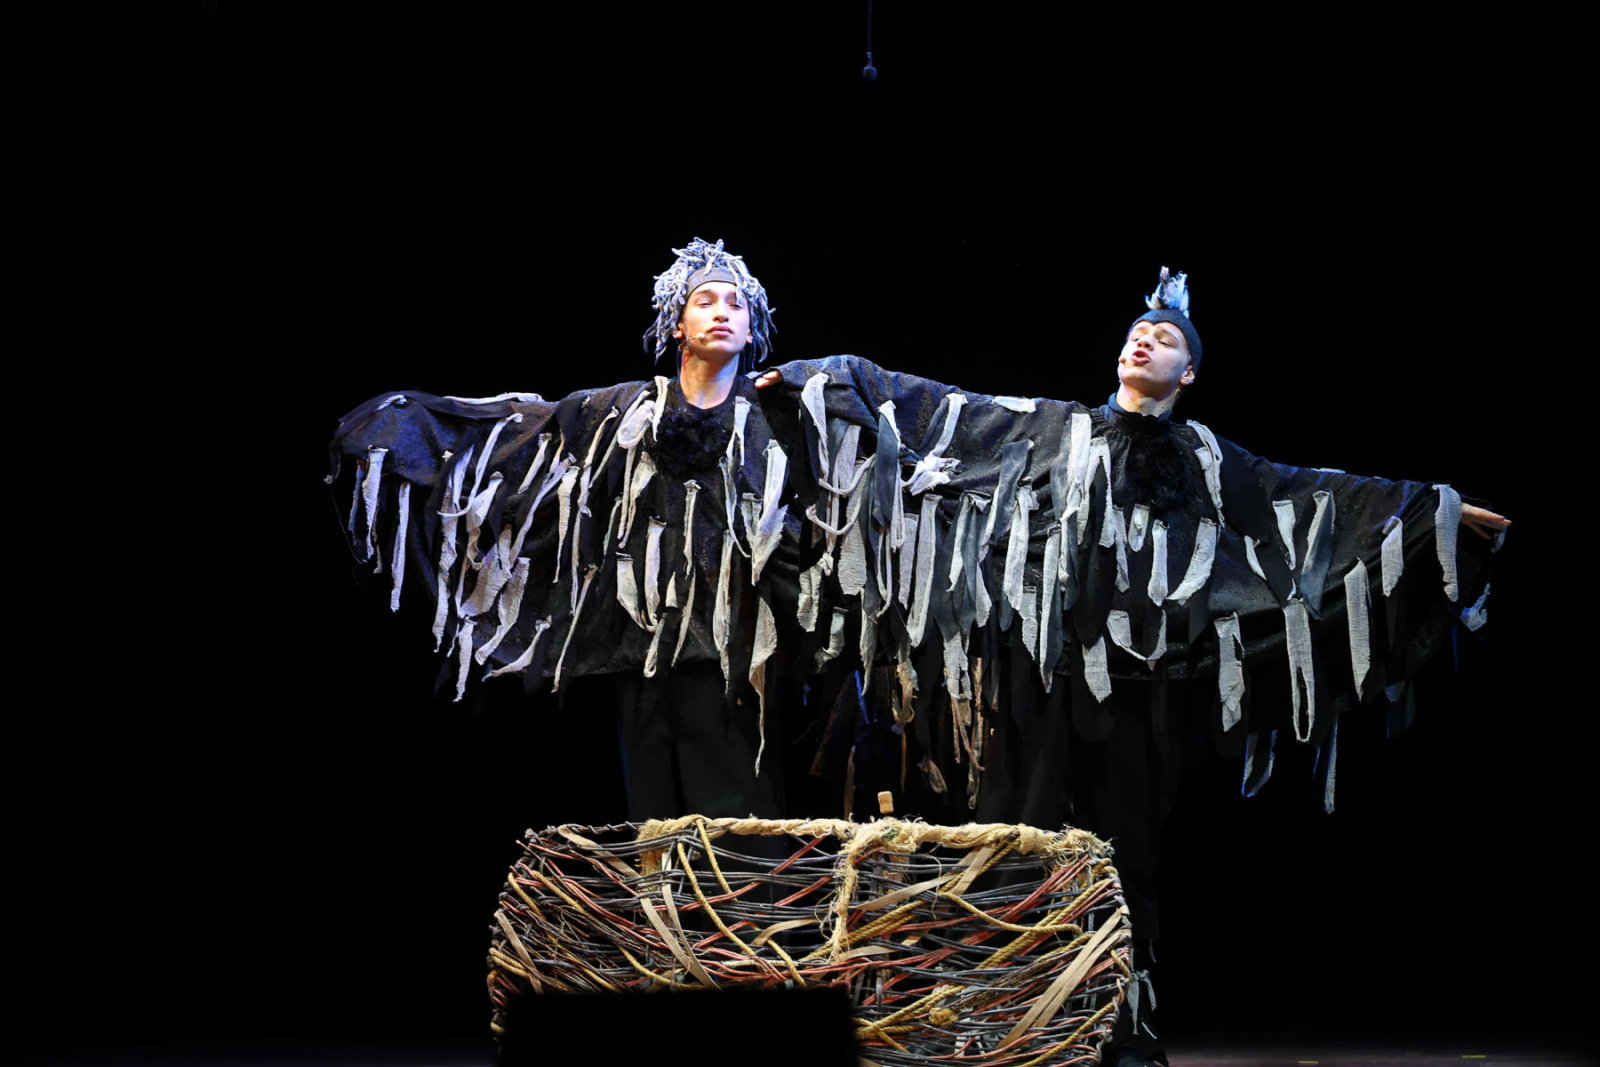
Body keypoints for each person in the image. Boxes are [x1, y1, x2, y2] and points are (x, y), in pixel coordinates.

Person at [328, 255, 1504, 1064]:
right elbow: (917, 408)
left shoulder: (1209, 462)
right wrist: (404, 427)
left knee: (1123, 854)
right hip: (948, 679)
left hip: (1128, 686)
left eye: (1169, 340)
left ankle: (1112, 1019)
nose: (1146, 341)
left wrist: (1437, 516)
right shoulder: (1044, 431)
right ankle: (937, 1014)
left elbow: (1306, 497)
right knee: (744, 836)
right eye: (1137, 330)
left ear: (1187, 372)